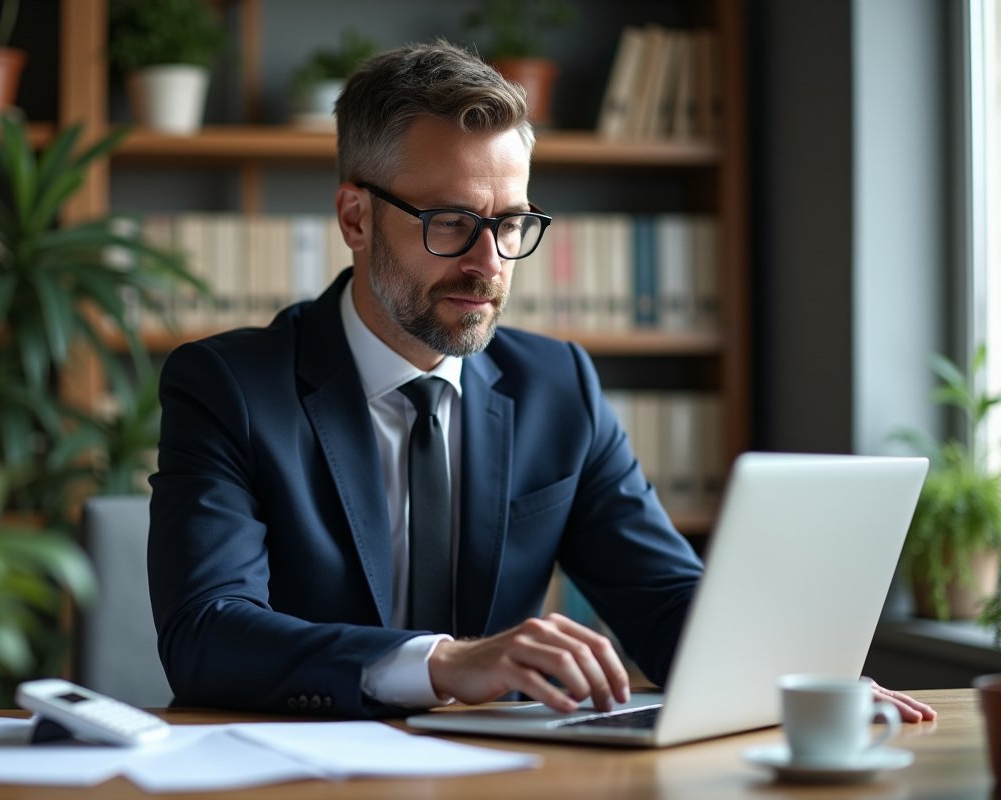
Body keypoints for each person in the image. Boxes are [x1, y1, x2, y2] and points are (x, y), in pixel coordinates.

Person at [147, 41, 934, 724]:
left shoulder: (559, 386)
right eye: (451, 222)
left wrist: (793, 678)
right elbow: (208, 631)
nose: (489, 264)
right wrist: (441, 662)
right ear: (356, 217)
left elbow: (663, 600)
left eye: (511, 223)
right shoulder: (229, 385)